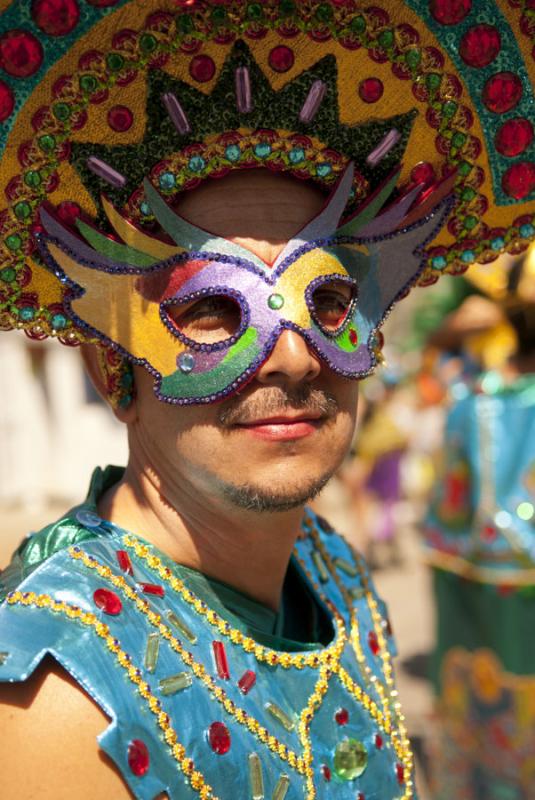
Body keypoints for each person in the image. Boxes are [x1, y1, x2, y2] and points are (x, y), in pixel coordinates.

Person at [0, 2, 533, 799]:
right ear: (114, 369)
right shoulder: (61, 703)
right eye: (212, 310)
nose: (291, 354)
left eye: (328, 302)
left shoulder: (328, 567)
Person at [423, 251, 535, 800]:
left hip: (470, 572)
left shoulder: (474, 397)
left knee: (482, 705)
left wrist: (444, 337)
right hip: (505, 580)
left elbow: (432, 380)